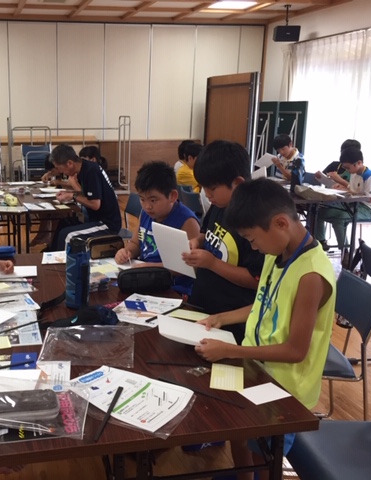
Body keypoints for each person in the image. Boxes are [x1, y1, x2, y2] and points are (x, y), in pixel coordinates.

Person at [195, 178, 336, 480]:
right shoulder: (277, 252)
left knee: (264, 456)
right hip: (258, 366)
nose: (253, 247)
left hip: (284, 388)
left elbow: (295, 351)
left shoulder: (311, 275)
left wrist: (231, 350)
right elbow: (264, 303)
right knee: (235, 426)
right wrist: (222, 318)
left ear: (281, 223)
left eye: (252, 239)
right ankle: (244, 475)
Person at [182, 140, 264, 344]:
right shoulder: (219, 204)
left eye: (212, 188)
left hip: (230, 318)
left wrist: (212, 263)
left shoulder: (254, 222)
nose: (207, 194)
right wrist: (197, 240)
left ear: (237, 183)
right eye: (204, 187)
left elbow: (256, 280)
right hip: (203, 303)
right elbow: (206, 232)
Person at [114, 161, 200, 294]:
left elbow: (189, 266)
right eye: (142, 199)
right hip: (145, 278)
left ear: (172, 196)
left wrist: (150, 267)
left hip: (174, 287)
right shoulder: (146, 213)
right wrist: (126, 252)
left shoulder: (187, 221)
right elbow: (136, 244)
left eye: (153, 200)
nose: (147, 206)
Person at [50, 144, 122, 251]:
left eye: (59, 168)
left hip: (107, 224)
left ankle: (61, 260)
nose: (60, 172)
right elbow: (86, 193)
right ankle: (51, 253)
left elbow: (95, 204)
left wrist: (72, 195)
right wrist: (69, 193)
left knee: (66, 235)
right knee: (63, 223)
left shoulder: (91, 171)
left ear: (69, 163)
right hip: (94, 219)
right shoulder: (82, 168)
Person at [314, 146, 371, 252]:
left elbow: (370, 199)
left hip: (366, 209)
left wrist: (350, 193)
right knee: (320, 212)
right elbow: (352, 189)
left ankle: (345, 252)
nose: (347, 170)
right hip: (352, 205)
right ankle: (321, 243)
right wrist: (344, 188)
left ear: (359, 163)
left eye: (348, 168)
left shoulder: (369, 177)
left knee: (339, 219)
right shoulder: (354, 173)